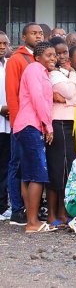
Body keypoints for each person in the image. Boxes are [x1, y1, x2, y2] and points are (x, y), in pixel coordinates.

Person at [46, 45, 76, 227]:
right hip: (59, 124)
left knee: (68, 170)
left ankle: (63, 213)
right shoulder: (55, 75)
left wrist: (66, 100)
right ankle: (52, 214)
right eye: (59, 53)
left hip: (72, 126)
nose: (62, 57)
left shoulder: (75, 76)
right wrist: (73, 83)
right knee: (57, 169)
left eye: (64, 53)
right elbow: (73, 93)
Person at [15, 41, 57, 233]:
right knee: (38, 175)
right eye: (48, 55)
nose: (53, 58)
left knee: (28, 175)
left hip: (29, 126)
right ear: (38, 57)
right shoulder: (34, 68)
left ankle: (30, 220)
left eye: (54, 55)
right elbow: (37, 97)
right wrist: (48, 125)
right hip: (31, 125)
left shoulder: (43, 72)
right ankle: (33, 223)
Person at [6, 23, 42, 225]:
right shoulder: (17, 59)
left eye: (40, 33)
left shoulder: (40, 58)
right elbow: (12, 93)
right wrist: (16, 122)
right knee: (17, 164)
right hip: (21, 123)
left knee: (31, 166)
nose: (38, 36)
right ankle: (17, 209)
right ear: (23, 37)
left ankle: (32, 208)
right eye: (33, 33)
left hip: (36, 124)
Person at [0, 33, 10, 220]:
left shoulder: (9, 64)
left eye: (5, 43)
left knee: (4, 167)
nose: (2, 46)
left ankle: (2, 206)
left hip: (9, 124)